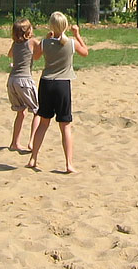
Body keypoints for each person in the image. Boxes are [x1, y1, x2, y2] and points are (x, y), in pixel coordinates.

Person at [26, 12, 88, 173]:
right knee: (65, 125)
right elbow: (85, 52)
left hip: (46, 84)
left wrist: (44, 39)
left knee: (43, 123)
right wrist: (77, 34)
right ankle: (68, 163)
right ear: (66, 26)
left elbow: (36, 57)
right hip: (62, 85)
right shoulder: (71, 43)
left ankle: (33, 158)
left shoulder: (45, 43)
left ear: (51, 26)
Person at [7, 18, 41, 151]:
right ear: (28, 31)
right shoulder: (32, 42)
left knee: (21, 112)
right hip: (24, 80)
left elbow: (10, 54)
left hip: (12, 81)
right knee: (38, 111)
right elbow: (40, 52)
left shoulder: (15, 44)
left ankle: (14, 142)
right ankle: (32, 141)